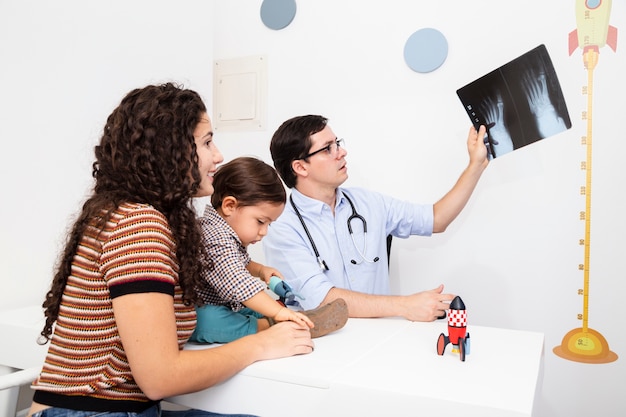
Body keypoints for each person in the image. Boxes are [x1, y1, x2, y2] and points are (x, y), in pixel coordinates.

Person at [28, 84, 313, 417]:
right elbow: (160, 378)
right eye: (207, 142)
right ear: (171, 150)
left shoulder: (137, 215)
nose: (218, 155)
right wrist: (262, 344)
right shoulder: (137, 224)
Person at [263, 114, 489, 321]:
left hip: (381, 338)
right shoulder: (281, 226)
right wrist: (406, 305)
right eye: (327, 149)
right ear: (300, 167)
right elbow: (322, 300)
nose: (341, 152)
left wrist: (475, 165)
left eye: (337, 144)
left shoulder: (367, 204)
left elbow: (437, 218)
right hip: (323, 346)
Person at [190, 156, 348, 344]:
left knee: (253, 308)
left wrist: (260, 270)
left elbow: (239, 263)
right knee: (208, 320)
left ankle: (289, 318)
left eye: (269, 224)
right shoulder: (213, 236)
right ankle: (274, 324)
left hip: (224, 304)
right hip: (200, 309)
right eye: (260, 222)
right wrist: (279, 311)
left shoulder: (225, 233)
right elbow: (240, 284)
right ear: (229, 206)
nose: (264, 232)